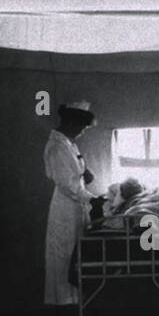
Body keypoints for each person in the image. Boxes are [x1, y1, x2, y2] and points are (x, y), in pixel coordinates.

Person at [43, 101, 99, 305]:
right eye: (82, 127)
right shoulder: (57, 147)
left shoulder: (69, 143)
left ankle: (75, 303)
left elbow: (77, 173)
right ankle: (63, 305)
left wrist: (86, 173)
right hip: (65, 207)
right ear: (71, 122)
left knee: (75, 255)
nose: (83, 132)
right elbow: (67, 184)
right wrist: (93, 198)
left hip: (75, 205)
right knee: (64, 256)